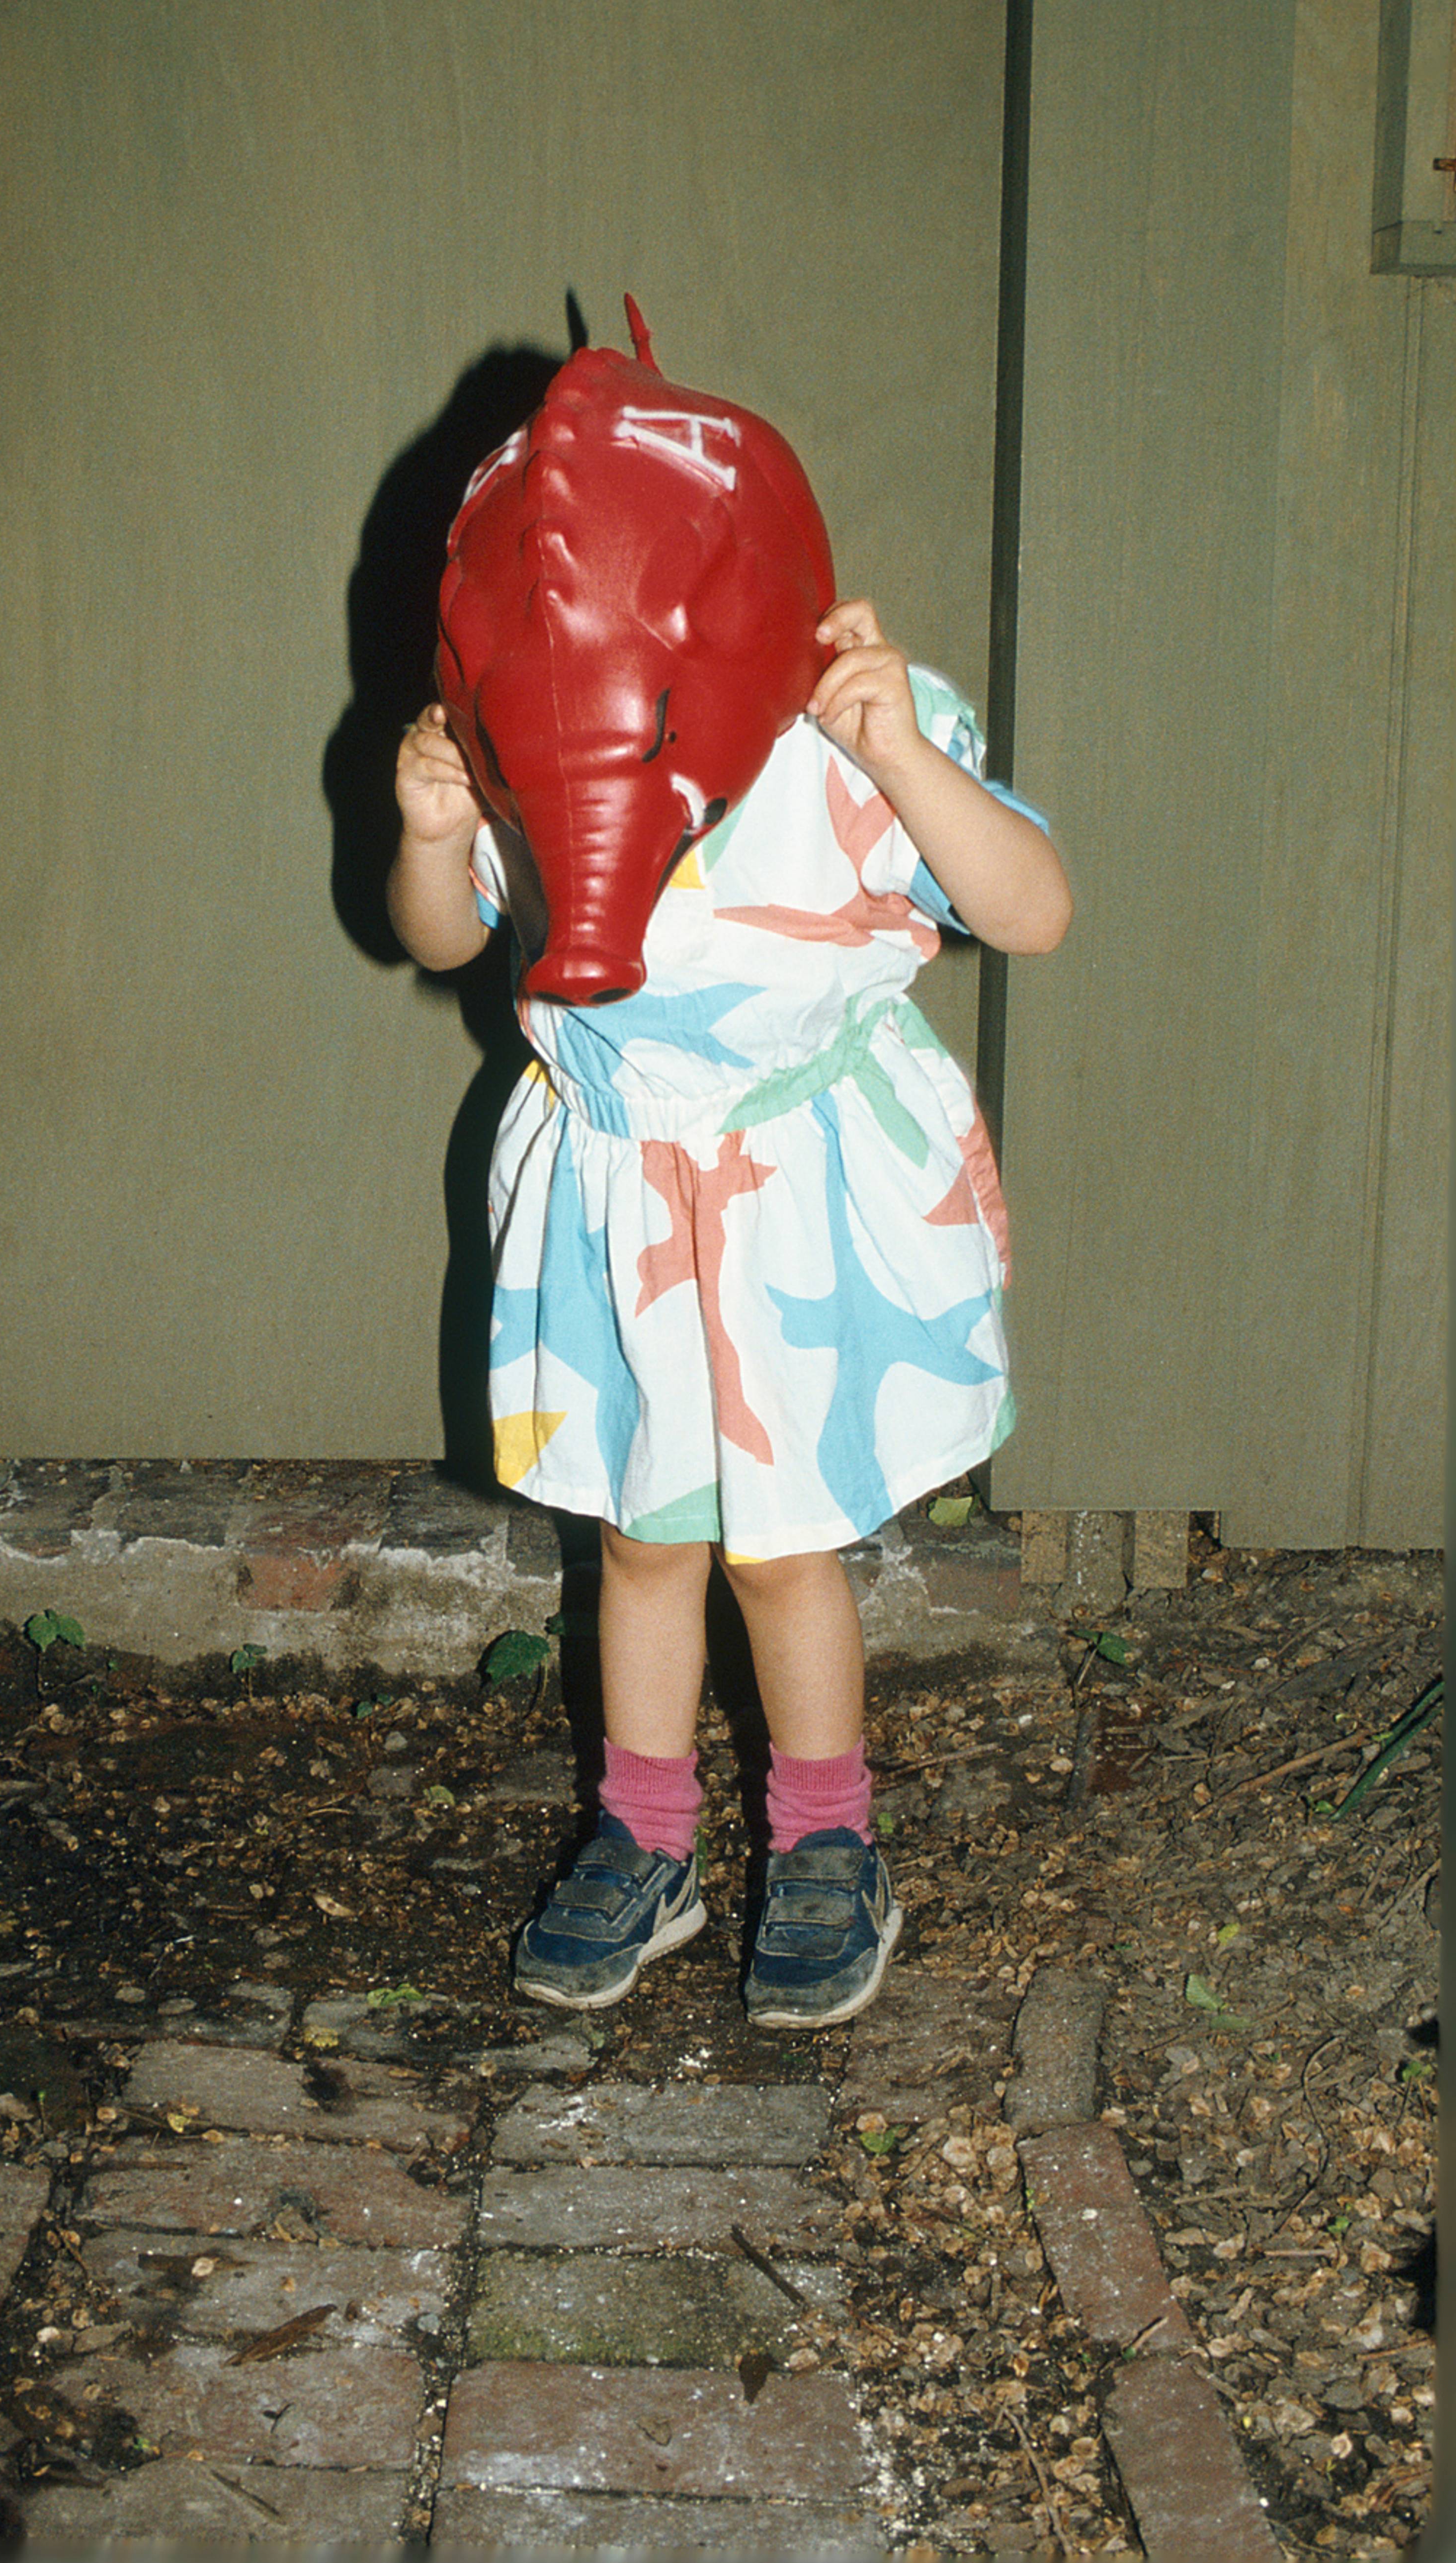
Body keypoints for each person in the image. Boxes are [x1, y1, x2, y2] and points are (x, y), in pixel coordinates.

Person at [388, 596, 1072, 2026]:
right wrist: (436, 835)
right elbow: (444, 938)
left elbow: (1032, 909)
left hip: (788, 1201)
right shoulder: (537, 726)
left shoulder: (837, 732)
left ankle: (828, 1840)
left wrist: (902, 754)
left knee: (779, 1547)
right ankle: (646, 1837)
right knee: (640, 1536)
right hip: (621, 1194)